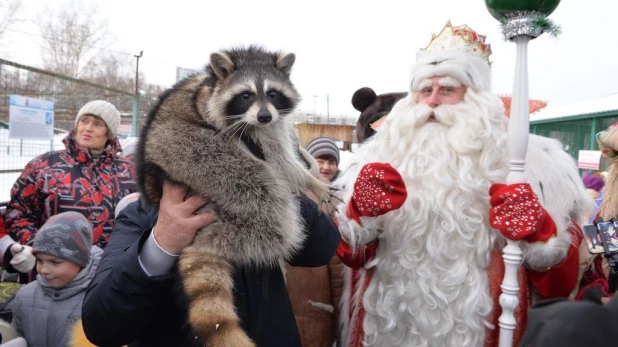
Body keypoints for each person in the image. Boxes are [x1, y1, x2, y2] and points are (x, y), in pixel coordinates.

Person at [334, 22, 591, 347]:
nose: (432, 102)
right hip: (388, 330)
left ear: (477, 98)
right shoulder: (374, 164)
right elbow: (351, 258)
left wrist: (538, 234)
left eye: (447, 90)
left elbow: (561, 284)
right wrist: (361, 217)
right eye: (424, 91)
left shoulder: (532, 167)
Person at [82, 180, 340, 347]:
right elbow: (102, 327)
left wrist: (276, 182)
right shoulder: (141, 213)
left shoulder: (259, 201)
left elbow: (321, 249)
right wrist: (162, 243)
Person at [3, 100, 136, 275]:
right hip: (52, 271)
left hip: (109, 272)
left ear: (109, 133)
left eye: (98, 124)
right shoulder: (44, 165)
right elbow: (18, 213)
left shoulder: (128, 171)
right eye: (84, 120)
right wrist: (40, 248)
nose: (88, 128)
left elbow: (138, 219)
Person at [11, 211, 102, 347]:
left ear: (80, 262)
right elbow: (17, 338)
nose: (43, 270)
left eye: (55, 262)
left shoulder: (100, 297)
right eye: (39, 260)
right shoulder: (24, 296)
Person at [284, 145, 345, 347]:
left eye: (332, 161)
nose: (326, 166)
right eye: (320, 160)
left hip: (313, 307)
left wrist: (339, 317)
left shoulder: (333, 200)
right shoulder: (287, 192)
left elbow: (337, 268)